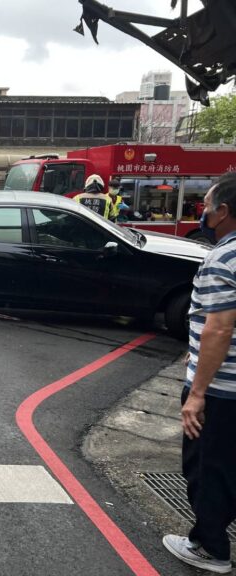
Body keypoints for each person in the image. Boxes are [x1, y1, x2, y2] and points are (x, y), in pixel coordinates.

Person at [162, 171, 236, 575]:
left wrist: (196, 394)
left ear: (222, 211)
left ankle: (211, 548)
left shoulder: (222, 259)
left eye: (205, 205)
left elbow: (218, 329)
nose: (201, 212)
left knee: (206, 468)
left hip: (221, 389)